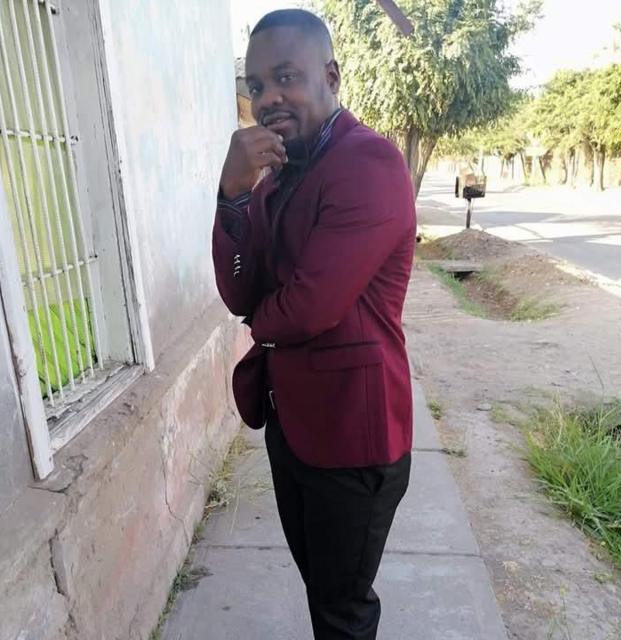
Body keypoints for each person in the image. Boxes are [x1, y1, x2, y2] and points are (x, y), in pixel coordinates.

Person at [212, 9, 416, 639]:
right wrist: (232, 193)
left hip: (354, 434)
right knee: (322, 590)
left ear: (330, 76)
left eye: (286, 77)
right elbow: (239, 289)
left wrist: (261, 321)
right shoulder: (272, 181)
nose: (268, 98)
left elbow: (308, 307)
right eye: (256, 85)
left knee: (342, 608)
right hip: (294, 425)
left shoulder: (369, 163)